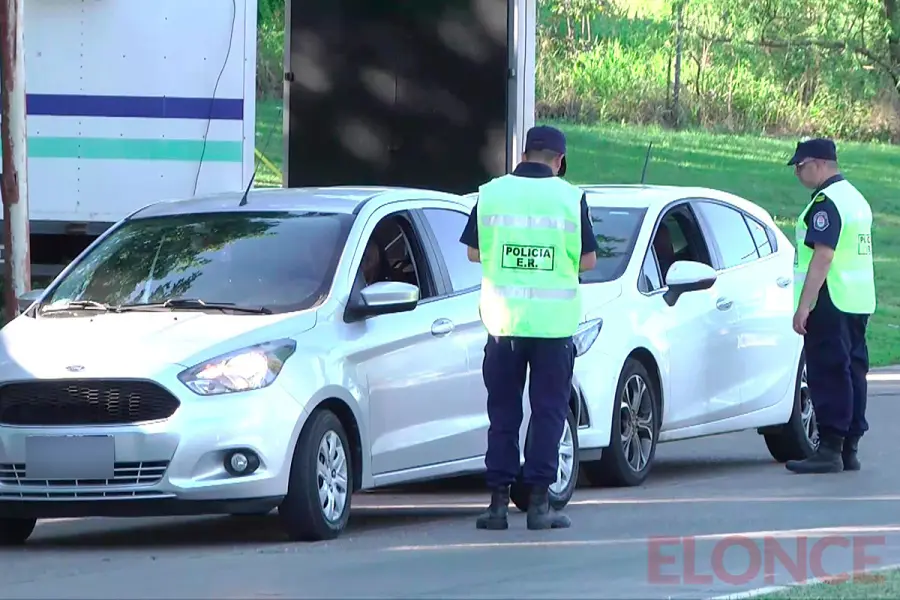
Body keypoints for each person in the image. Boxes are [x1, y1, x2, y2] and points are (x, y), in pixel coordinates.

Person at [459, 125, 599, 530]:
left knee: (503, 414)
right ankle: (539, 505)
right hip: (553, 329)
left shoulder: (492, 193)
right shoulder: (571, 198)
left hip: (503, 324)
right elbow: (588, 260)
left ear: (523, 154)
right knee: (548, 413)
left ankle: (497, 506)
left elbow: (473, 251)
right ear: (560, 161)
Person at [784, 138, 876, 475]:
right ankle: (849, 448)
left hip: (830, 298)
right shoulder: (855, 198)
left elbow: (823, 255)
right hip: (857, 299)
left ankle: (829, 448)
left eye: (801, 164)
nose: (796, 171)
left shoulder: (827, 203)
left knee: (828, 372)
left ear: (821, 163)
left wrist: (804, 305)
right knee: (853, 372)